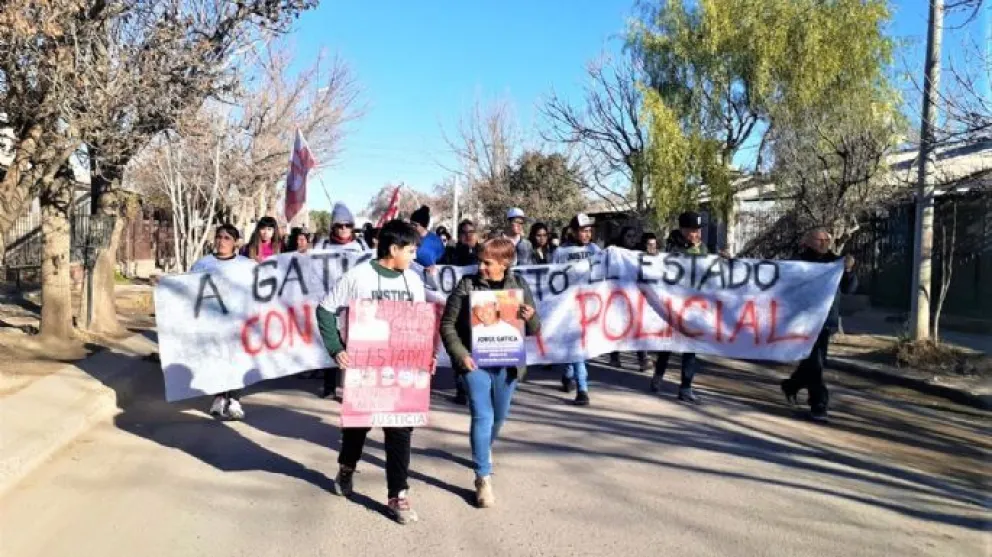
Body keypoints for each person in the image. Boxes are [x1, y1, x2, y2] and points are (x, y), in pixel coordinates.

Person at [316, 219, 431, 524]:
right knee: (357, 427)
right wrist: (336, 348)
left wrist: (425, 356)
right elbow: (325, 309)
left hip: (401, 370)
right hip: (364, 368)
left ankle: (398, 494)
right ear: (393, 249)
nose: (414, 257)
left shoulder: (413, 281)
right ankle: (346, 468)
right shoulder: (358, 276)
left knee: (400, 429)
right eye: (410, 250)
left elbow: (419, 323)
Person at [440, 238, 540, 508]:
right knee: (482, 416)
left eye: (487, 262)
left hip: (507, 364)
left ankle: (483, 449)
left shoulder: (519, 285)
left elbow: (534, 329)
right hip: (475, 363)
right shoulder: (466, 285)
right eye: (479, 261)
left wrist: (529, 316)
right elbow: (447, 324)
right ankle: (482, 477)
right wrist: (461, 355)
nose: (481, 267)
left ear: (504, 263)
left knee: (498, 418)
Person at [781, 227, 858, 423]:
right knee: (816, 363)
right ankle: (819, 403)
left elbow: (849, 288)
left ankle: (792, 385)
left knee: (815, 361)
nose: (824, 243)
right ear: (808, 242)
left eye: (827, 240)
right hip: (802, 320)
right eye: (819, 240)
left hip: (824, 321)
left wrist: (848, 270)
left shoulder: (836, 262)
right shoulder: (798, 262)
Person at [191, 224, 256, 420]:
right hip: (212, 323)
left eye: (227, 238)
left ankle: (234, 400)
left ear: (236, 243)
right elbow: (188, 289)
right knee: (216, 360)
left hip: (238, 322)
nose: (222, 241)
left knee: (236, 360)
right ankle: (219, 398)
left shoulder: (246, 265)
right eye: (219, 237)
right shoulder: (202, 264)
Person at [649, 211, 708, 403]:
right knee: (668, 344)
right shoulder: (671, 247)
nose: (697, 234)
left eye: (698, 230)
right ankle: (658, 376)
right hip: (672, 304)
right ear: (683, 230)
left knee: (690, 347)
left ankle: (686, 387)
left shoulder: (702, 248)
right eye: (693, 230)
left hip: (693, 306)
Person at [552, 213, 602, 406]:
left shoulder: (595, 250)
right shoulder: (561, 252)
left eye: (589, 230)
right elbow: (552, 277)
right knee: (576, 345)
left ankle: (568, 373)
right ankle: (582, 389)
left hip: (590, 305)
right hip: (569, 306)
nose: (587, 234)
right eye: (583, 230)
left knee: (583, 346)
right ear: (573, 231)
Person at [608, 226, 641, 368]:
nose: (632, 239)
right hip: (617, 297)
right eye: (628, 236)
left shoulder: (640, 253)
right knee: (616, 327)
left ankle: (643, 358)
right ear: (622, 237)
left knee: (638, 327)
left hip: (635, 296)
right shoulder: (614, 253)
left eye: (634, 236)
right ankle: (614, 357)